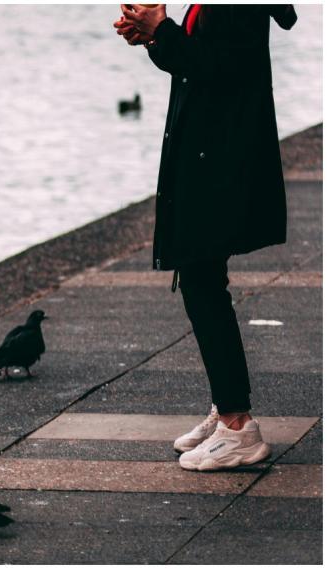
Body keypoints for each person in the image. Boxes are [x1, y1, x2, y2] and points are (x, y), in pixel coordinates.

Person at [112, 4, 297, 471]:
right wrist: (154, 37)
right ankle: (226, 407)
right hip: (206, 153)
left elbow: (223, 70)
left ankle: (238, 426)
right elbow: (195, 61)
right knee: (202, 278)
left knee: (200, 279)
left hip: (218, 159)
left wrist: (164, 31)